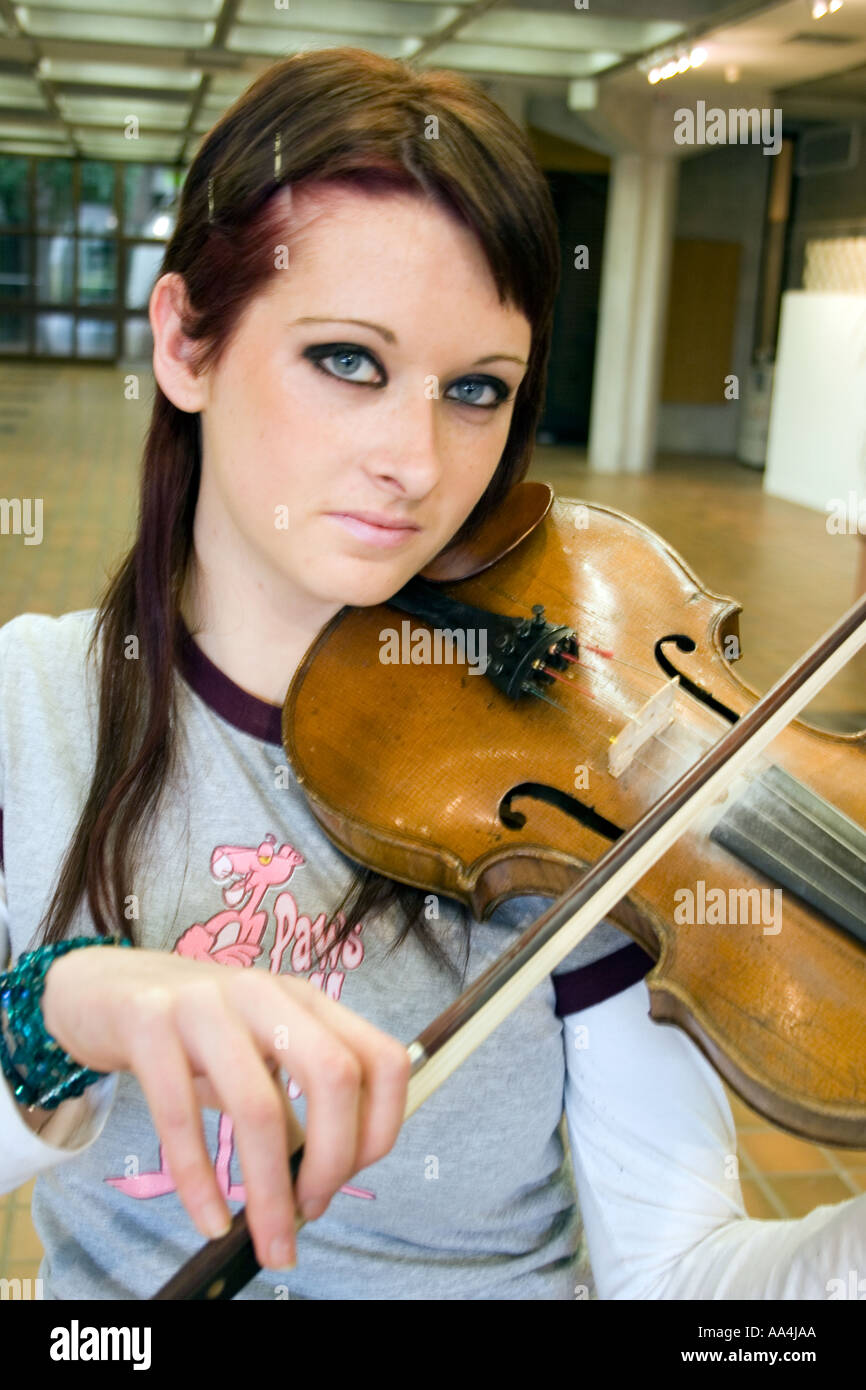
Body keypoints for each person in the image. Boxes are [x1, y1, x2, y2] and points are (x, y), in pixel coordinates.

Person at [0, 47, 863, 1302]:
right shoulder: (31, 710)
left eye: (475, 390)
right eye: (347, 359)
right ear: (185, 341)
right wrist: (59, 1011)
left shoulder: (594, 784)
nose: (415, 458)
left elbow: (682, 1280)